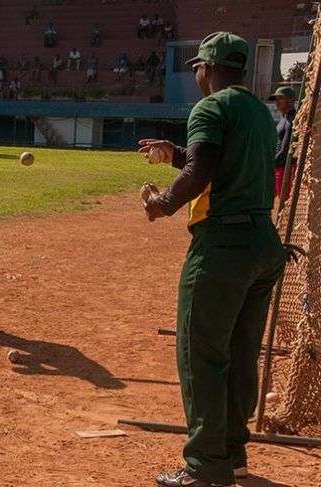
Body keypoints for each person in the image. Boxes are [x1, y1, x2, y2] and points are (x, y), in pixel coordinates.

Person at [138, 32, 286, 487]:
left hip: (223, 247)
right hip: (263, 243)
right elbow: (216, 162)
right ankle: (232, 454)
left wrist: (162, 203)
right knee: (242, 354)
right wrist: (173, 156)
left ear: (207, 67)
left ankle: (204, 466)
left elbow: (201, 171)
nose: (196, 74)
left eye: (198, 67)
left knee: (201, 354)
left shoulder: (210, 107)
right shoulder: (261, 112)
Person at [268, 86, 297, 202]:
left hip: (285, 169)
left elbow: (285, 150)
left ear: (291, 100)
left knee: (284, 204)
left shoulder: (292, 121)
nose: (277, 102)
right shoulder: (284, 119)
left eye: (280, 98)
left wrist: (269, 164)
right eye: (276, 99)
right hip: (278, 167)